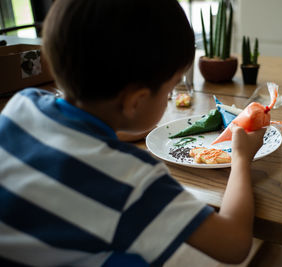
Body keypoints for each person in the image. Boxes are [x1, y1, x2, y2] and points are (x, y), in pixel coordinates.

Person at [0, 0, 266, 266]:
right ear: (135, 102)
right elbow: (234, 245)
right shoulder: (134, 178)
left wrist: (117, 132)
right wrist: (241, 159)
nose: (170, 96)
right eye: (170, 88)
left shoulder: (21, 104)